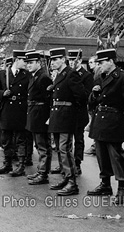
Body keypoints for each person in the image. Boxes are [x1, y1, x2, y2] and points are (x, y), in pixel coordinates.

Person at [87, 49, 124, 205]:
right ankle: (105, 184)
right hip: (100, 120)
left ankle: (121, 188)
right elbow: (92, 101)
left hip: (114, 120)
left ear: (111, 61)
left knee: (115, 155)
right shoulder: (99, 77)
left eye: (102, 62)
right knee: (101, 154)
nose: (99, 65)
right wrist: (94, 95)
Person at [48, 47, 86, 196]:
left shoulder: (71, 74)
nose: (53, 62)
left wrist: (73, 114)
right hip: (58, 116)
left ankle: (72, 182)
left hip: (66, 116)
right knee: (58, 148)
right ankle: (65, 177)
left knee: (65, 149)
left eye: (56, 59)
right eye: (52, 60)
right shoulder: (59, 75)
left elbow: (81, 97)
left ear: (63, 60)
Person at [0, 50, 29, 177]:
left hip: (20, 110)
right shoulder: (3, 74)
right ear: (16, 60)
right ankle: (7, 163)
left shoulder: (27, 75)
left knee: (20, 139)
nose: (26, 63)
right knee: (6, 139)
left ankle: (21, 165)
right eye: (24, 60)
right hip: (7, 109)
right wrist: (2, 94)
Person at [25, 51, 53, 185]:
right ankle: (41, 170)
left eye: (31, 63)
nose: (28, 65)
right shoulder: (34, 76)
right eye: (27, 63)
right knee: (39, 145)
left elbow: (48, 100)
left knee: (43, 146)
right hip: (34, 113)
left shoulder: (43, 77)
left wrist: (48, 117)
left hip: (41, 114)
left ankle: (43, 173)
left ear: (38, 63)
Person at [67, 49, 93, 175]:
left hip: (79, 111)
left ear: (80, 61)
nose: (72, 62)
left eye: (74, 60)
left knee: (78, 139)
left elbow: (87, 95)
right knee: (66, 139)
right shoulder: (67, 73)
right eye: (70, 60)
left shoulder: (86, 76)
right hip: (68, 111)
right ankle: (67, 163)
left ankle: (77, 163)